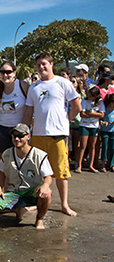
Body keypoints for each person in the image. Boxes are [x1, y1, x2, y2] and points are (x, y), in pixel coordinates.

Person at [22, 53, 81, 217]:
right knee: (37, 172)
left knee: (61, 172)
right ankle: (35, 201)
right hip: (38, 135)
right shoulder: (34, 87)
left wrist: (65, 121)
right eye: (39, 65)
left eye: (44, 64)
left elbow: (76, 106)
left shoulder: (63, 83)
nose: (41, 67)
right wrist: (24, 130)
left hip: (58, 135)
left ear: (51, 64)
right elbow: (28, 111)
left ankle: (64, 204)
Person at [0, 124, 53, 229]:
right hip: (14, 192)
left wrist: (45, 185)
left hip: (32, 192)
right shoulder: (7, 153)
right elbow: (1, 173)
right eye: (14, 136)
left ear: (28, 136)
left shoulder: (39, 155)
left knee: (47, 193)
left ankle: (39, 219)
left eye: (20, 136)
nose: (16, 139)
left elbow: (48, 176)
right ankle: (18, 209)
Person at [0, 61, 29, 154]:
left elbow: (31, 107)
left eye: (8, 72)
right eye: (2, 72)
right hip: (1, 128)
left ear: (14, 73)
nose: (5, 75)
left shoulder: (23, 86)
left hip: (19, 129)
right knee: (4, 156)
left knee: (20, 155)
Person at [75, 86, 104, 173]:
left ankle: (91, 165)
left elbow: (102, 115)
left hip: (94, 126)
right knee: (83, 145)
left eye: (91, 96)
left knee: (92, 145)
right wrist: (96, 115)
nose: (90, 97)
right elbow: (82, 114)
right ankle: (79, 165)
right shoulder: (85, 100)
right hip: (84, 125)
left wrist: (90, 113)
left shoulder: (100, 102)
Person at [100, 93, 114, 172]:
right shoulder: (105, 109)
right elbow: (100, 120)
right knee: (105, 147)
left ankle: (112, 164)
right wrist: (103, 123)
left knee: (113, 148)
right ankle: (103, 164)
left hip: (113, 130)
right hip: (105, 131)